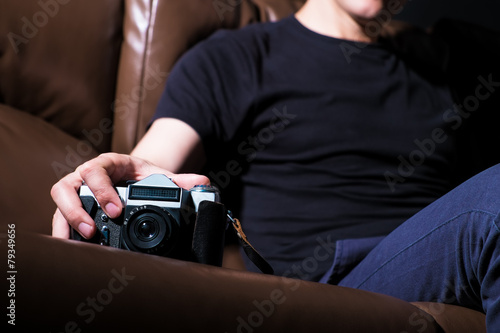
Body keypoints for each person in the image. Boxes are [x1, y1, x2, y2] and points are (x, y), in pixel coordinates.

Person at [51, 0, 500, 329]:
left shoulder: (446, 69)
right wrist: (111, 177)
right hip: (331, 287)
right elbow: (151, 163)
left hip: (448, 264)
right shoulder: (236, 58)